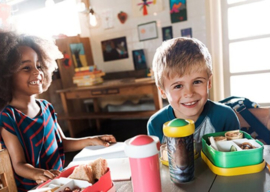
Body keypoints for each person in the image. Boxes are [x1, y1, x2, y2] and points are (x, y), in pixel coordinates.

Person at [0, 31, 116, 191]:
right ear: (6, 76)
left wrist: (91, 140)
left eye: (39, 66)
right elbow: (19, 164)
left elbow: (61, 143)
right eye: (26, 67)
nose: (37, 72)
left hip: (59, 181)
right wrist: (37, 174)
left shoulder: (46, 107)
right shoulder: (8, 116)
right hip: (35, 188)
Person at [147, 37, 240, 150]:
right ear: (162, 92)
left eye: (197, 82)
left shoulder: (226, 117)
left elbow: (236, 157)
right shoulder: (156, 124)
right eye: (178, 86)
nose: (189, 93)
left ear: (208, 82)